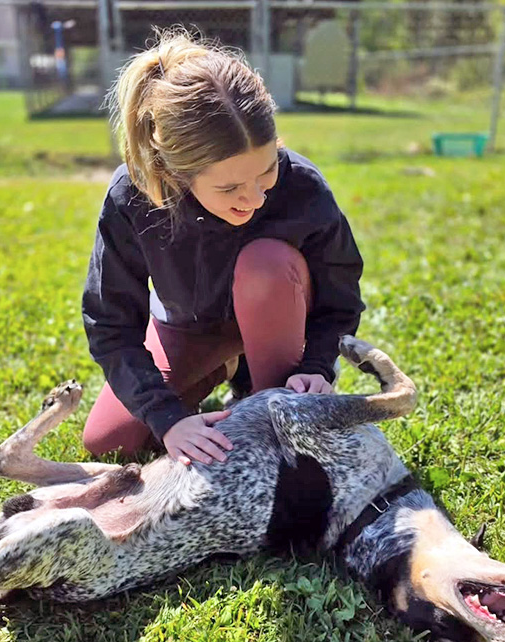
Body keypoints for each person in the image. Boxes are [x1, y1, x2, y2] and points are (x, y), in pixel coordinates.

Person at [82, 29, 364, 467]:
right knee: (112, 441)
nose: (254, 199)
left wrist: (317, 365)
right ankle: (230, 365)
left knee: (265, 263)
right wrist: (169, 419)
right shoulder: (133, 198)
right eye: (230, 186)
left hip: (278, 312)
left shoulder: (303, 187)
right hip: (188, 328)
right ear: (175, 172)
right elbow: (110, 324)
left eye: (267, 171)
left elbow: (340, 297)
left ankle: (268, 391)